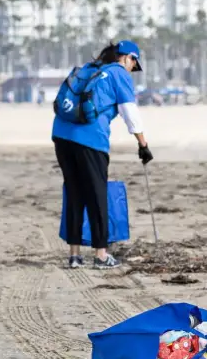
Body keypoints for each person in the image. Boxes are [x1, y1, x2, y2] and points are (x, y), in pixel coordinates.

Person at [52, 40, 153, 269]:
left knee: (74, 191)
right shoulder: (118, 74)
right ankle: (100, 255)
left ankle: (75, 255)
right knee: (97, 195)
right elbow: (130, 113)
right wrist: (143, 145)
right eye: (133, 64)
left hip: (61, 135)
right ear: (128, 58)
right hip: (90, 139)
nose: (131, 70)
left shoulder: (89, 69)